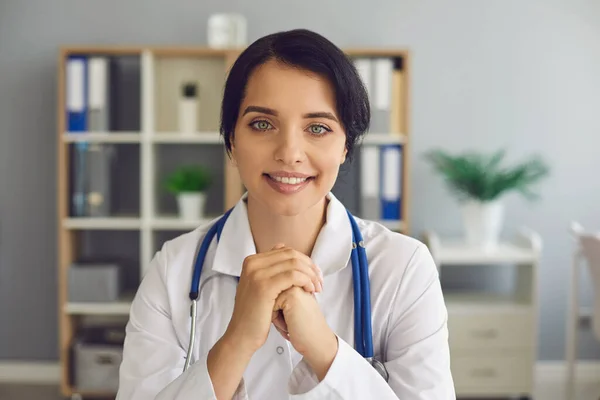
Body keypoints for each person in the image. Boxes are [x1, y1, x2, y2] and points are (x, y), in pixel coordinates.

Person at [116, 28, 455, 400]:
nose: (290, 152)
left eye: (318, 128)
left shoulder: (404, 268)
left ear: (346, 146)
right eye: (263, 124)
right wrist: (237, 340)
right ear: (231, 139)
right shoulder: (173, 270)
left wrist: (325, 351)